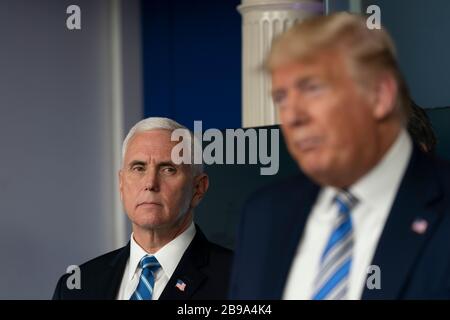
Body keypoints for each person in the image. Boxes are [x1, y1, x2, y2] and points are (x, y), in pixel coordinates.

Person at [230, 13, 450, 300]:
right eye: (282, 98)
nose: (293, 116)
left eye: (313, 89)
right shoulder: (265, 214)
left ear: (380, 95)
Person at [53, 117, 232, 300]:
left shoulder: (240, 278)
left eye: (168, 169)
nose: (150, 183)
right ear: (121, 184)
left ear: (198, 188)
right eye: (138, 168)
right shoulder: (75, 288)